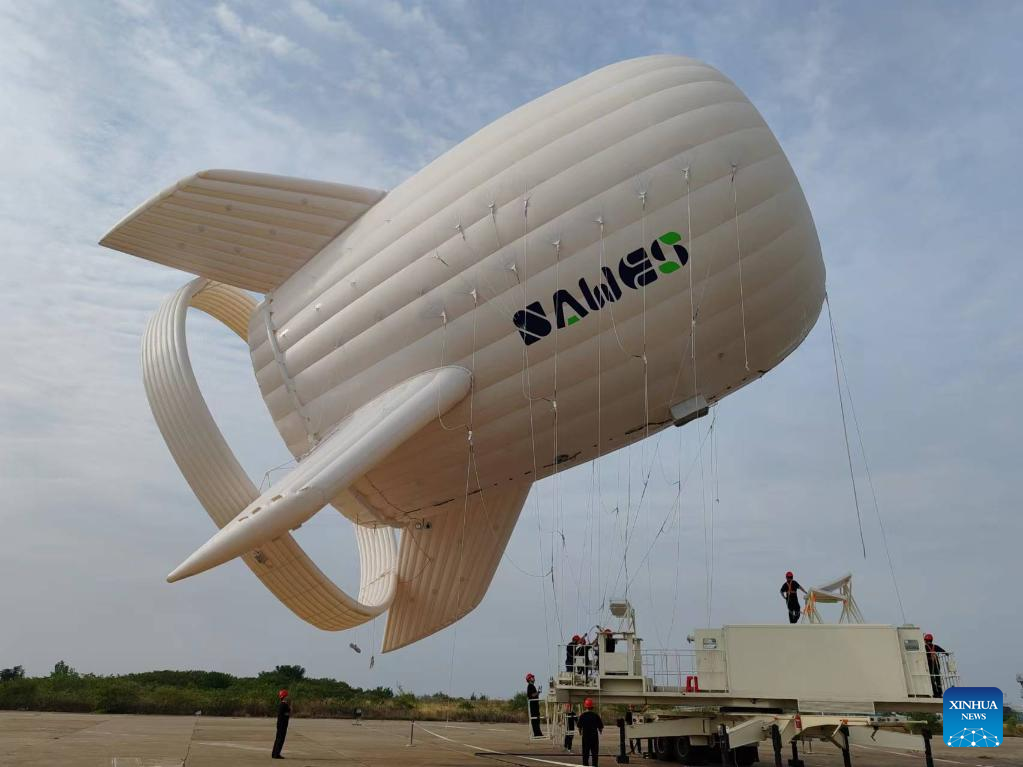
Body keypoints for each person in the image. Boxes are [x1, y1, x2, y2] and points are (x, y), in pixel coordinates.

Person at [577, 698, 603, 766]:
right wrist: (600, 731)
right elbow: (600, 727)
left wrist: (580, 733)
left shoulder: (582, 715)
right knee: (595, 753)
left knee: (585, 753)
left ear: (585, 706)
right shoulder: (595, 715)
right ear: (592, 707)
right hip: (594, 737)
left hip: (585, 737)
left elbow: (579, 727)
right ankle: (595, 765)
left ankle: (585, 765)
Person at [924, 633, 947, 698]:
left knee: (932, 678)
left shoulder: (925, 647)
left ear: (925, 640)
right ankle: (939, 692)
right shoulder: (935, 646)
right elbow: (942, 651)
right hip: (936, 664)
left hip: (930, 664)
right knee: (937, 678)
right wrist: (946, 653)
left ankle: (935, 692)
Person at [272, 689, 290, 759]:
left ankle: (274, 753)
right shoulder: (284, 705)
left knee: (278, 739)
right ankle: (276, 754)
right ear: (284, 696)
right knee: (280, 739)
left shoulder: (281, 705)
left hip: (280, 724)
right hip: (282, 725)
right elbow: (287, 714)